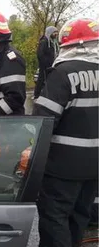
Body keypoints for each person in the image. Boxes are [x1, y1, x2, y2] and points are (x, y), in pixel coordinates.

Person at [33, 18, 98, 247]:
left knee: (54, 221)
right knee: (79, 218)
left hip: (61, 168)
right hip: (94, 168)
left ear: (66, 46)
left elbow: (42, 121)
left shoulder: (62, 74)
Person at [33, 26, 60, 99]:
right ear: (50, 32)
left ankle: (48, 94)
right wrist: (45, 63)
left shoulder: (53, 42)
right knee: (41, 80)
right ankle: (37, 95)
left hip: (52, 65)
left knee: (50, 80)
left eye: (56, 32)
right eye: (54, 32)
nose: (56, 34)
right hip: (45, 66)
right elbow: (40, 54)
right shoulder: (44, 41)